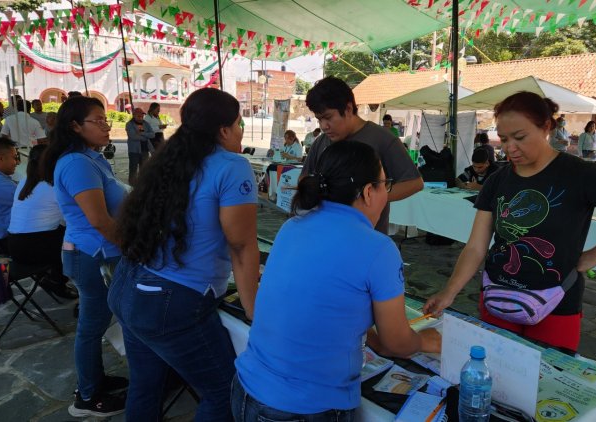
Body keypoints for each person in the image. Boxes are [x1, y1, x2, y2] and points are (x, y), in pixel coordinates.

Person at [423, 92, 596, 353]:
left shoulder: (580, 175)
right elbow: (476, 247)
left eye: (520, 137)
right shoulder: (497, 180)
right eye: (503, 139)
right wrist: (449, 291)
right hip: (498, 295)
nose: (510, 147)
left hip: (557, 301)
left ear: (546, 127)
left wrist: (595, 256)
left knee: (549, 381)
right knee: (495, 373)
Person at [233, 141, 440, 421]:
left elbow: (324, 305)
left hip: (246, 389)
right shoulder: (378, 248)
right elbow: (398, 342)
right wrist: (429, 342)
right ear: (368, 192)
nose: (385, 193)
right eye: (384, 184)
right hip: (305, 408)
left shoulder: (292, 226)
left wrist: (374, 340)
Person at [109, 88, 259, 421]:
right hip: (168, 302)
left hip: (128, 285)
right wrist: (253, 309)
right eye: (239, 124)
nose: (240, 132)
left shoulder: (170, 158)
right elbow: (242, 244)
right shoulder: (232, 165)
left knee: (146, 386)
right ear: (223, 130)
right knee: (224, 391)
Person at [42, 96, 128, 417]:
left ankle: (96, 379)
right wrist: (136, 245)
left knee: (98, 322)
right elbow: (99, 220)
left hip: (101, 251)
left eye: (107, 120)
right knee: (92, 326)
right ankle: (88, 397)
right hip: (92, 254)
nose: (106, 126)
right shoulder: (76, 164)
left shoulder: (90, 157)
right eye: (99, 120)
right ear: (75, 126)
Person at [301, 76, 423, 234]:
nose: (324, 126)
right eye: (319, 119)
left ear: (348, 109)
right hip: (325, 233)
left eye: (328, 117)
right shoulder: (321, 142)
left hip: (368, 236)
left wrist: (372, 198)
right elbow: (304, 179)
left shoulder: (383, 139)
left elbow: (414, 183)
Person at [7, 144, 77, 299]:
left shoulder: (24, 182)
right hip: (33, 248)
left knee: (64, 232)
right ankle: (58, 281)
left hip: (14, 246)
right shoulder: (52, 188)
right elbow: (72, 218)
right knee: (75, 238)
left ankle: (54, 278)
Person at [125, 107, 154, 185]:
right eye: (139, 116)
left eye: (142, 116)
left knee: (144, 169)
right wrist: (145, 136)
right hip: (134, 151)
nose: (141, 117)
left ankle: (142, 185)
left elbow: (152, 135)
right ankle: (131, 186)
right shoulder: (129, 124)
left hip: (145, 150)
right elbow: (133, 136)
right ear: (134, 115)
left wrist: (142, 133)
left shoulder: (146, 123)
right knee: (133, 169)